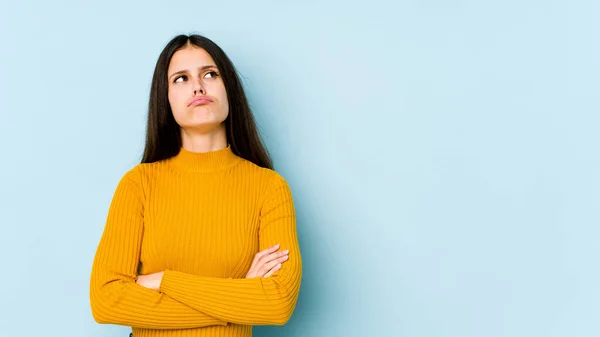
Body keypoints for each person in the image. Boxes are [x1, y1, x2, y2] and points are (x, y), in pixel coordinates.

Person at [89, 34, 302, 337]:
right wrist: (239, 296)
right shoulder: (138, 185)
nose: (198, 86)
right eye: (181, 79)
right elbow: (106, 301)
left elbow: (278, 303)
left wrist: (163, 280)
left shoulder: (268, 188)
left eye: (210, 74)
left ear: (229, 89)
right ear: (166, 98)